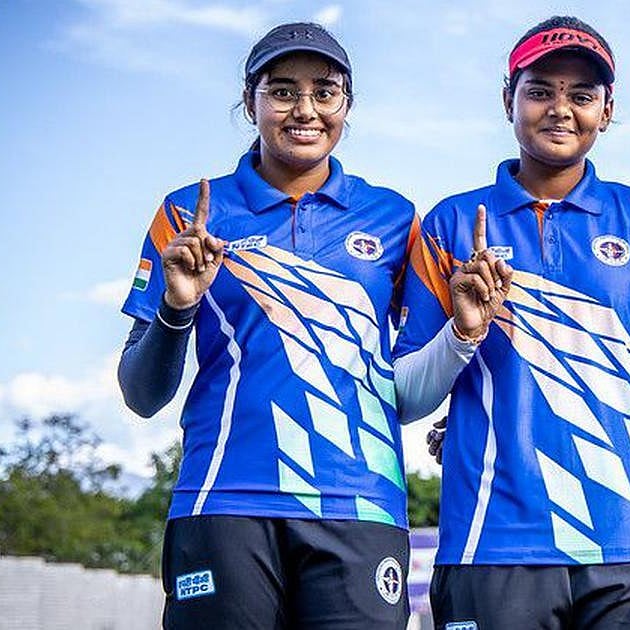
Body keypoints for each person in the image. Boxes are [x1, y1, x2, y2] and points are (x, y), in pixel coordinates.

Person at [393, 15, 630, 630]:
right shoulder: (450, 223)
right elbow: (407, 397)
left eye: (582, 95)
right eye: (540, 90)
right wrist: (462, 333)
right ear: (507, 99)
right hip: (490, 545)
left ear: (607, 108)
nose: (560, 110)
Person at [117, 22, 416, 629]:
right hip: (224, 500)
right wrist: (178, 308)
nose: (304, 110)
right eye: (281, 91)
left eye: (325, 92)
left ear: (346, 105)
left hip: (360, 504)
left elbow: (417, 367)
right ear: (249, 102)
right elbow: (141, 394)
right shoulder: (188, 210)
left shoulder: (395, 217)